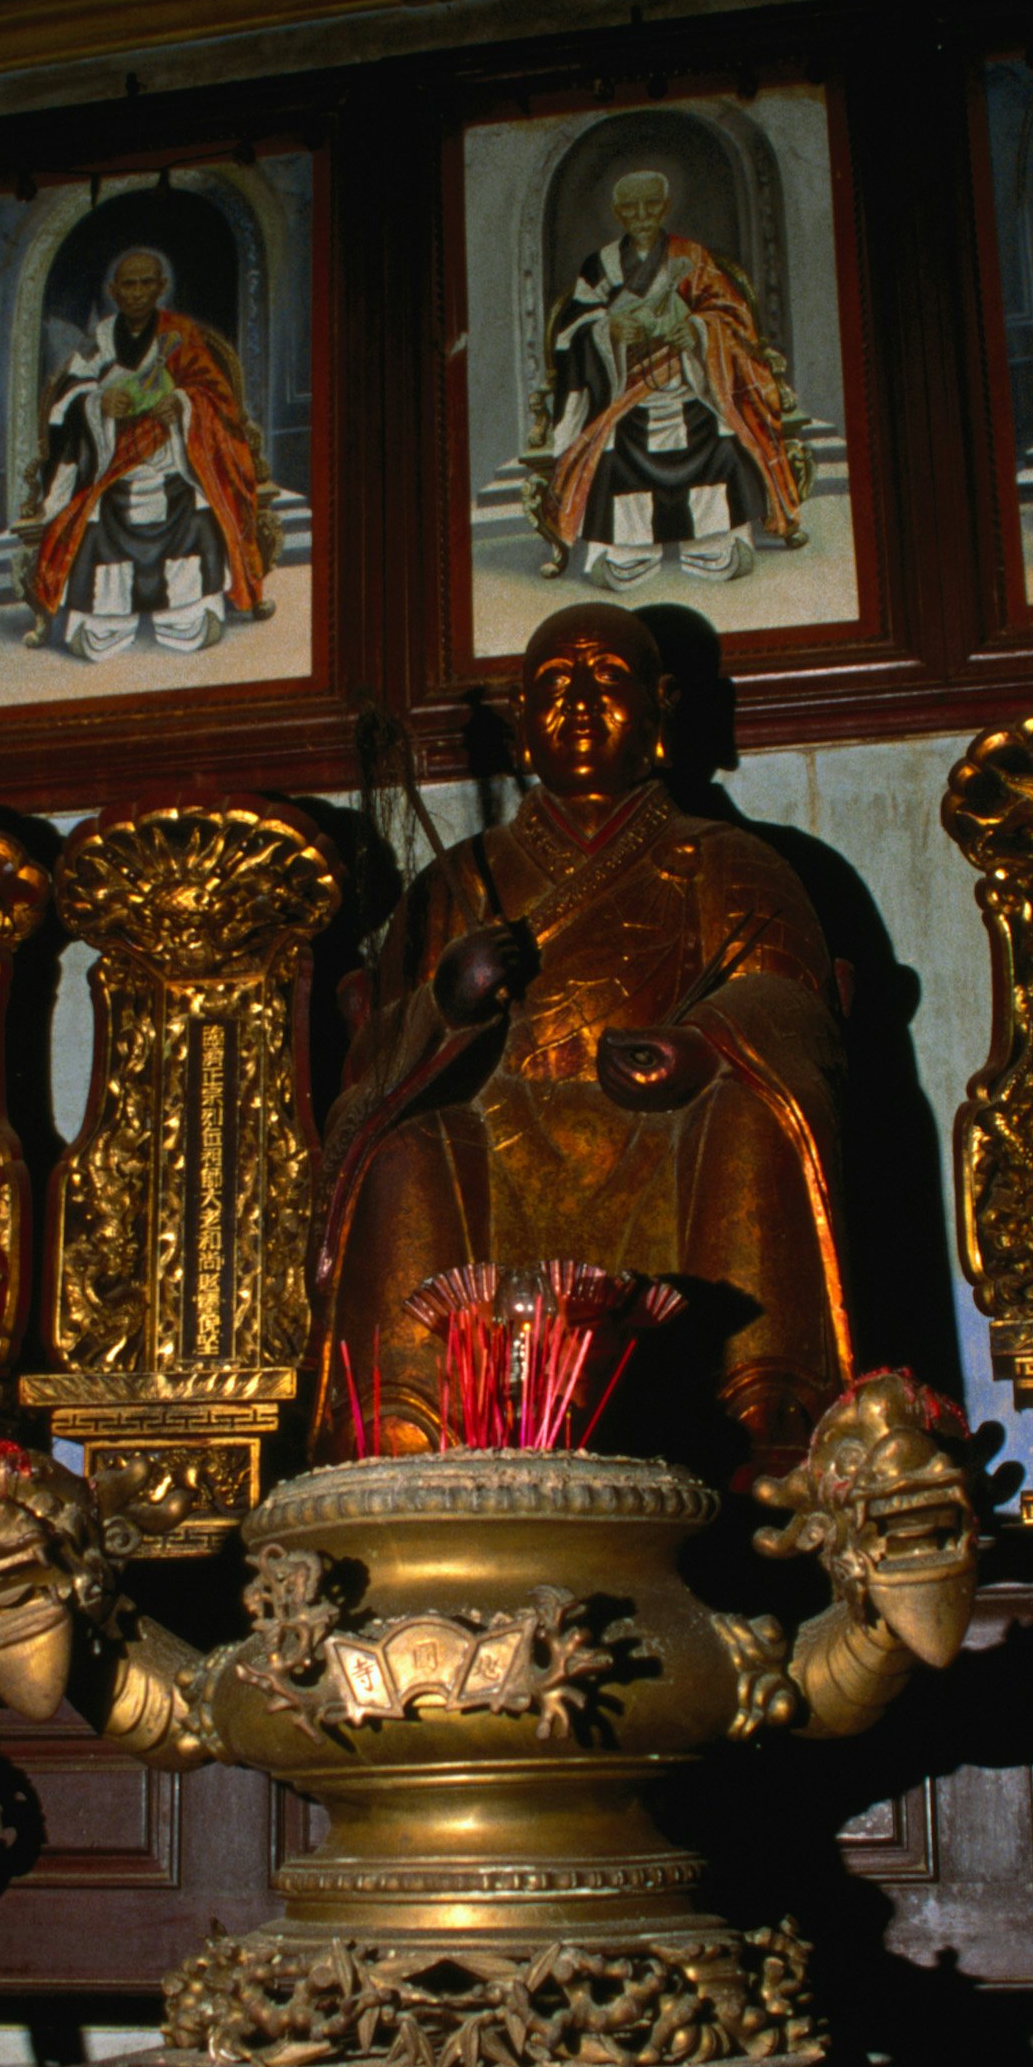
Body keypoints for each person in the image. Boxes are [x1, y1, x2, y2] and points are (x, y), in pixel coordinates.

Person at [311, 603, 850, 1466]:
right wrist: (445, 1006)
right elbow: (370, 1061)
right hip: (491, 1144)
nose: (581, 703)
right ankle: (403, 1423)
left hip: (667, 1139)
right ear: (522, 727)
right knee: (403, 1149)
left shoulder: (725, 860)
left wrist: (703, 1044)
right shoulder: (456, 882)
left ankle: (758, 1413)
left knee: (752, 1117)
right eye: (555, 685)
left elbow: (796, 1004)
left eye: (609, 679)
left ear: (662, 708)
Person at [535, 170, 802, 587]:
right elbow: (572, 331)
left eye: (651, 205)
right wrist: (609, 331)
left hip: (690, 380)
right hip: (623, 390)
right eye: (631, 207)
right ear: (618, 213)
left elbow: (731, 316)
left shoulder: (692, 256)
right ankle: (626, 552)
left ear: (664, 208)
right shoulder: (599, 265)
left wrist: (697, 330)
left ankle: (713, 544)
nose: (642, 215)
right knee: (610, 446)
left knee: (720, 435)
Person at [18, 247, 275, 659]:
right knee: (91, 521)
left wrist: (184, 403)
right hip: (109, 465)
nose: (137, 292)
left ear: (160, 287)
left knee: (199, 511)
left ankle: (187, 614)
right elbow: (65, 399)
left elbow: (219, 399)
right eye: (129, 285)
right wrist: (98, 402)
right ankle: (105, 621)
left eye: (145, 283)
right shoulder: (99, 341)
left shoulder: (183, 334)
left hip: (175, 460)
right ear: (114, 291)